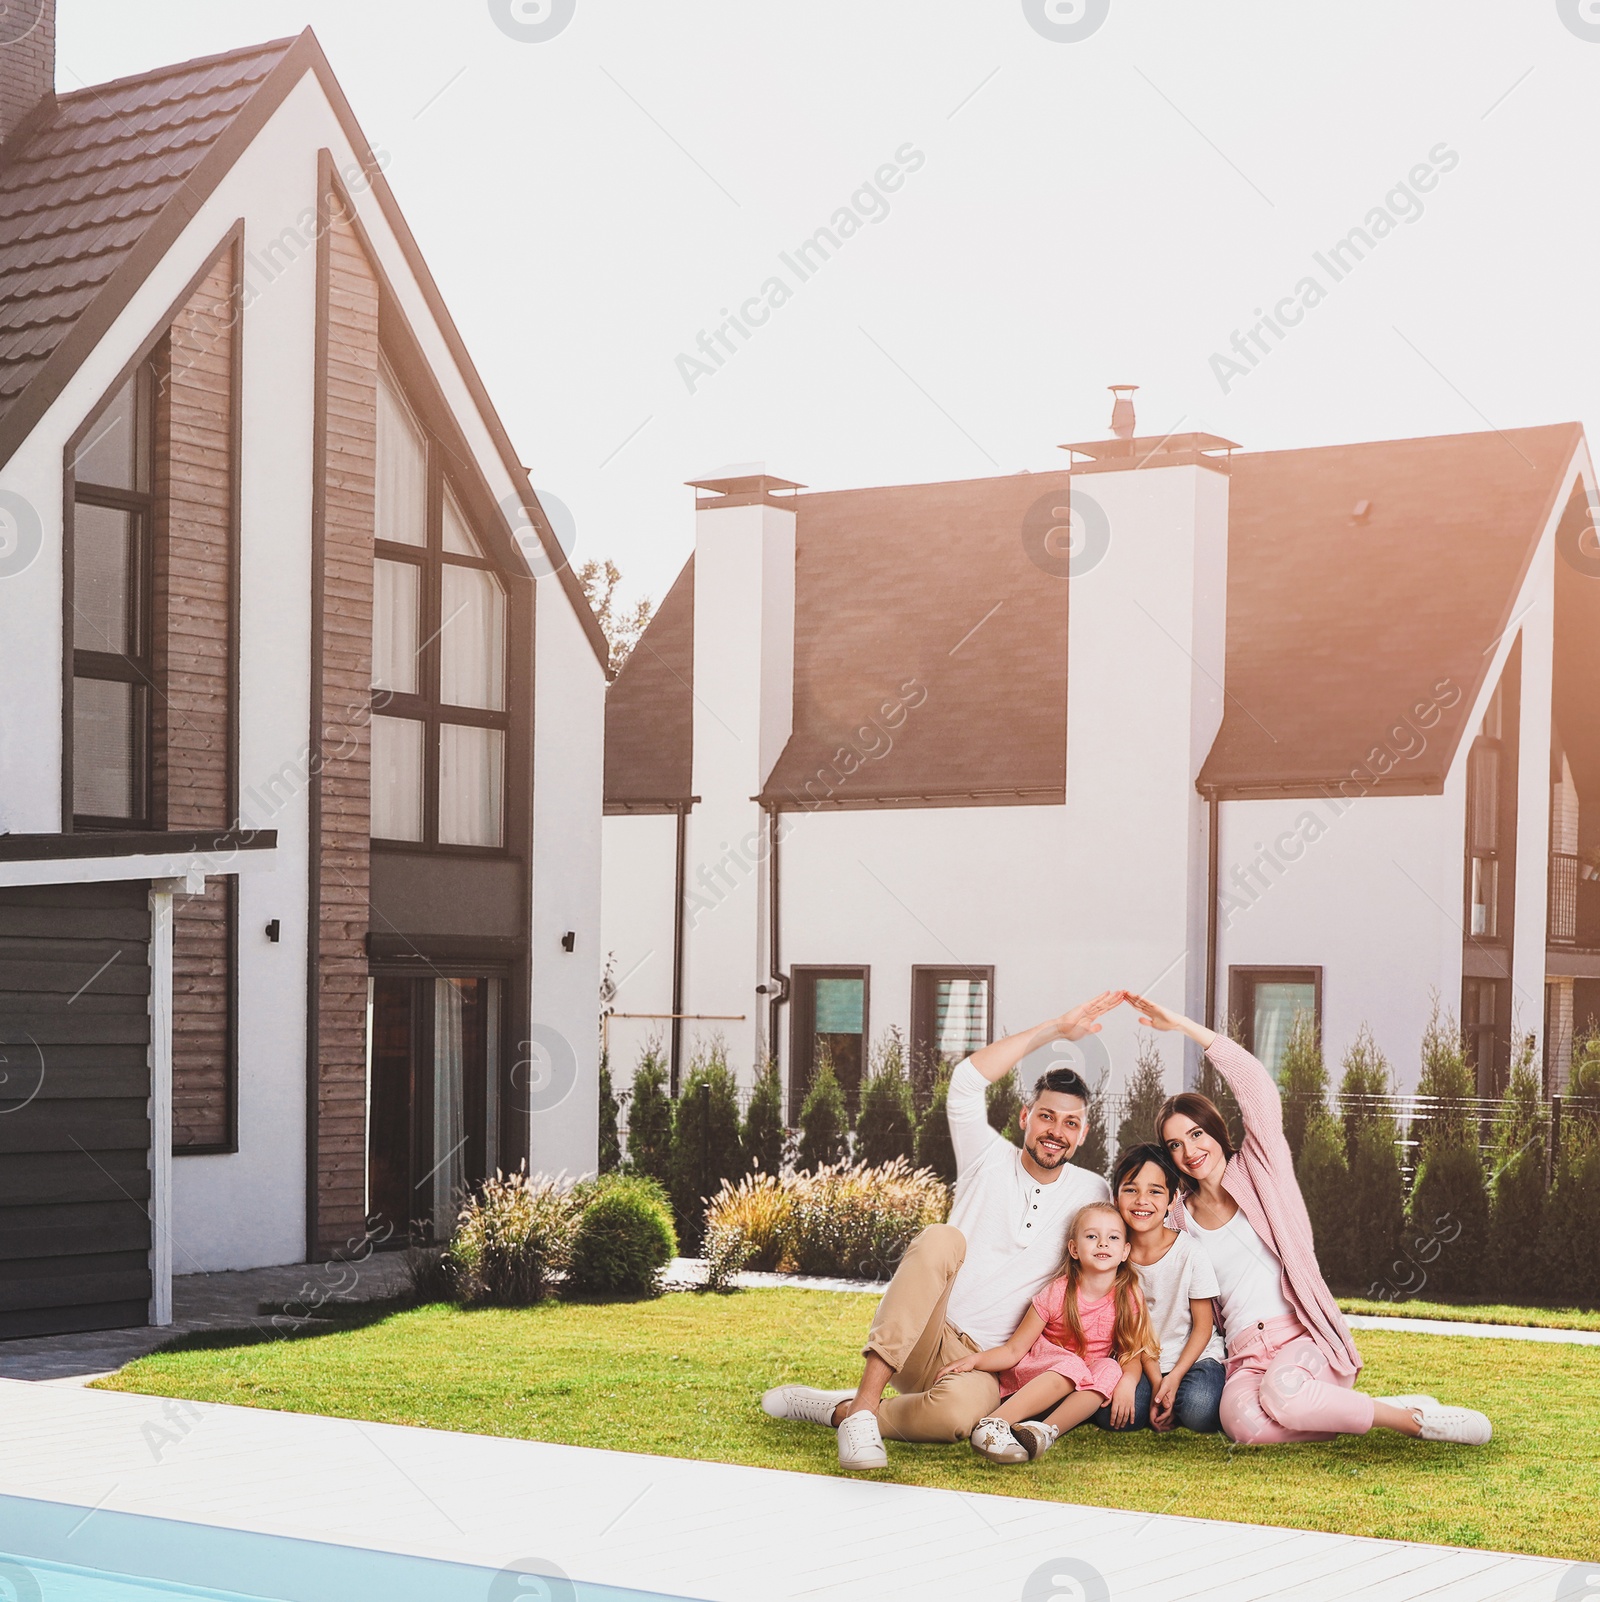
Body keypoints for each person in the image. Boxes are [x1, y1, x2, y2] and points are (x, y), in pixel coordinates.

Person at [762, 993, 1119, 1470]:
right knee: (941, 1238)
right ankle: (866, 1406)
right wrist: (1056, 1027)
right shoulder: (985, 1156)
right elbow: (967, 1081)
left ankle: (840, 1410)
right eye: (1046, 1116)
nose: (1056, 1130)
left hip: (989, 1363)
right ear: (1024, 1118)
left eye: (1070, 1123)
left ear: (1084, 1134)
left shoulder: (1094, 1192)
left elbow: (1148, 1221)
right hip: (921, 1335)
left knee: (956, 1420)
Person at [1126, 991, 1492, 1446]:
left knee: (1283, 1395)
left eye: (1196, 1133)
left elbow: (1256, 1085)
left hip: (1302, 1338)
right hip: (1244, 1356)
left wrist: (1183, 1025)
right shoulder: (1178, 1217)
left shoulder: (1262, 1168)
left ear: (1216, 1131)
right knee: (1244, 1427)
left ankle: (1417, 1422)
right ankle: (1381, 1404)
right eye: (1176, 1144)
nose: (1190, 1150)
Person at [938, 1201, 1156, 1464]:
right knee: (1072, 1363)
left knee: (1110, 1367)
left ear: (1125, 1251)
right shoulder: (1058, 1292)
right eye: (1091, 1236)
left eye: (1113, 1237)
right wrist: (975, 1360)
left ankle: (1043, 1432)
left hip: (1075, 1393)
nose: (1102, 1243)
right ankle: (994, 1423)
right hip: (1037, 1379)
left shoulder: (1129, 1296)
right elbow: (1014, 1350)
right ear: (1074, 1249)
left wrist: (1128, 1382)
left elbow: (1131, 1352)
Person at [1107, 1142, 1225, 1434]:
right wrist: (1158, 1384)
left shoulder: (1190, 1252)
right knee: (1121, 1416)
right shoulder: (1113, 1256)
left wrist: (1173, 1379)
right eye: (1131, 1189)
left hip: (1194, 1357)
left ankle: (1176, 1398)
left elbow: (1202, 1327)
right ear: (1115, 1196)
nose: (1142, 1200)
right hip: (1141, 1361)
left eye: (1155, 1191)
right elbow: (1133, 1334)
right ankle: (1158, 1401)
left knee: (1198, 1408)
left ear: (1173, 1200)